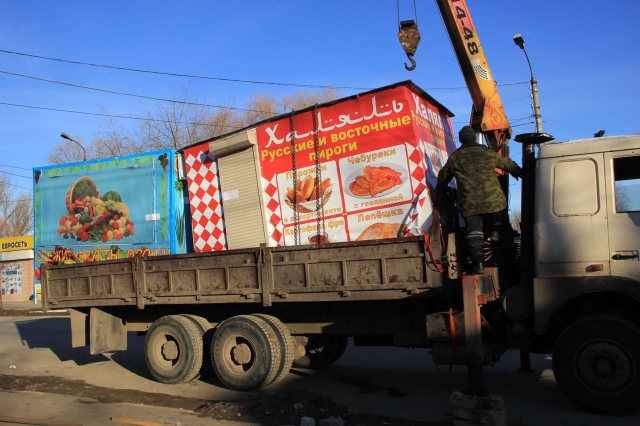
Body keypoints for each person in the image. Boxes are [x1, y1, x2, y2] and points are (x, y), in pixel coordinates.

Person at [431, 126, 522, 275]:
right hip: (493, 201)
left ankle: (479, 263)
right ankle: (496, 231)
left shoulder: (456, 157)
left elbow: (443, 177)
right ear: (474, 138)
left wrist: (440, 186)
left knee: (474, 233)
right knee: (499, 213)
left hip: (469, 203)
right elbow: (507, 164)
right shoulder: (486, 152)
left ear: (461, 140)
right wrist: (521, 173)